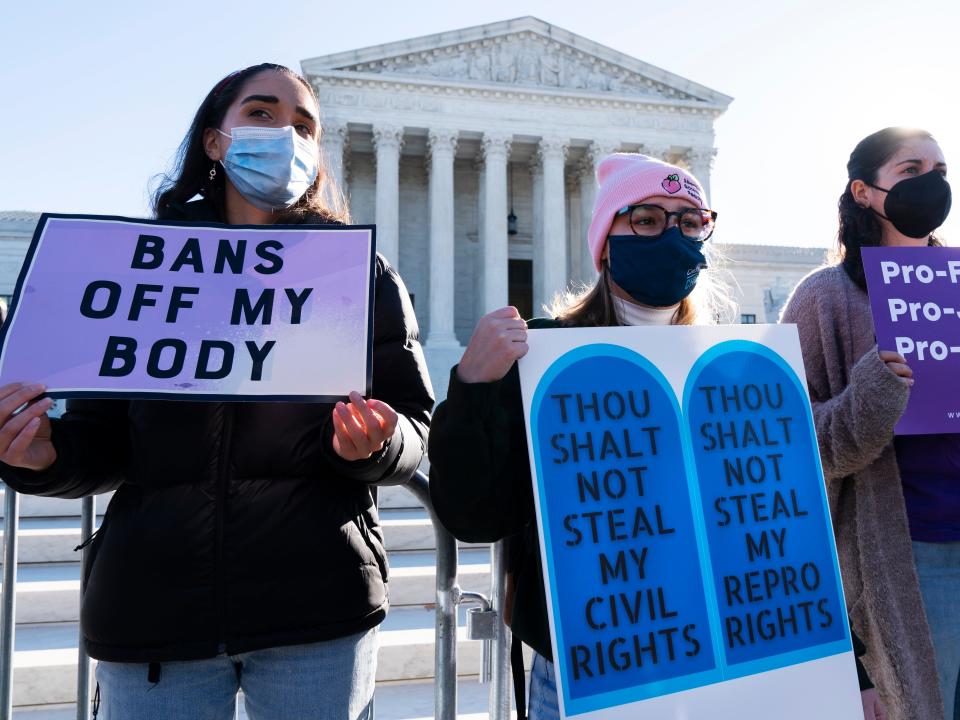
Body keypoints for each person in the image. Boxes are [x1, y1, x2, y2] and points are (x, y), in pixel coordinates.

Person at [0, 63, 433, 720]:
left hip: (316, 606)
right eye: (260, 113)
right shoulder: (140, 264)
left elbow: (412, 426)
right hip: (156, 610)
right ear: (214, 141)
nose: (284, 133)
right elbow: (102, 440)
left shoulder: (356, 275)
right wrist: (42, 458)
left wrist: (376, 443)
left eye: (303, 125)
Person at [429, 152, 735, 718]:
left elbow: (775, 517)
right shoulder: (541, 359)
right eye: (646, 219)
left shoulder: (726, 369)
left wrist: (853, 661)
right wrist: (472, 384)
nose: (672, 234)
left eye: (689, 222)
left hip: (717, 652)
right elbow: (474, 514)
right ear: (606, 242)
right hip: (583, 661)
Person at [781, 127, 952, 720]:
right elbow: (797, 448)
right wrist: (872, 391)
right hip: (912, 556)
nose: (932, 183)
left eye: (941, 169)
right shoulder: (823, 298)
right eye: (911, 170)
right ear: (863, 192)